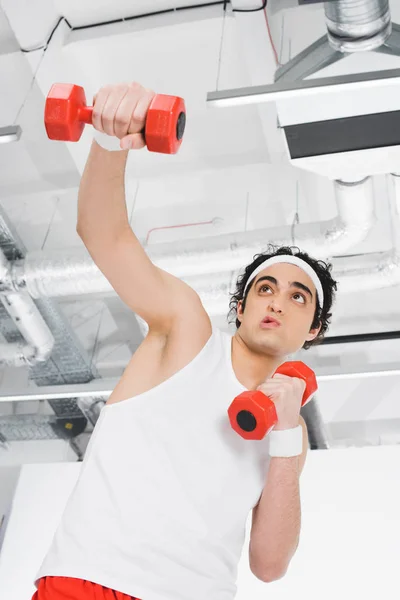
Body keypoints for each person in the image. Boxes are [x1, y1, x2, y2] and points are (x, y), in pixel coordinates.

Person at [32, 82, 337, 600]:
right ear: (240, 307)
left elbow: (268, 565)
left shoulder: (289, 433)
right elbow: (104, 234)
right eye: (265, 288)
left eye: (298, 296)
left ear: (313, 330)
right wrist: (111, 144)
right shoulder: (188, 330)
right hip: (93, 581)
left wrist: (287, 434)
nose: (277, 302)